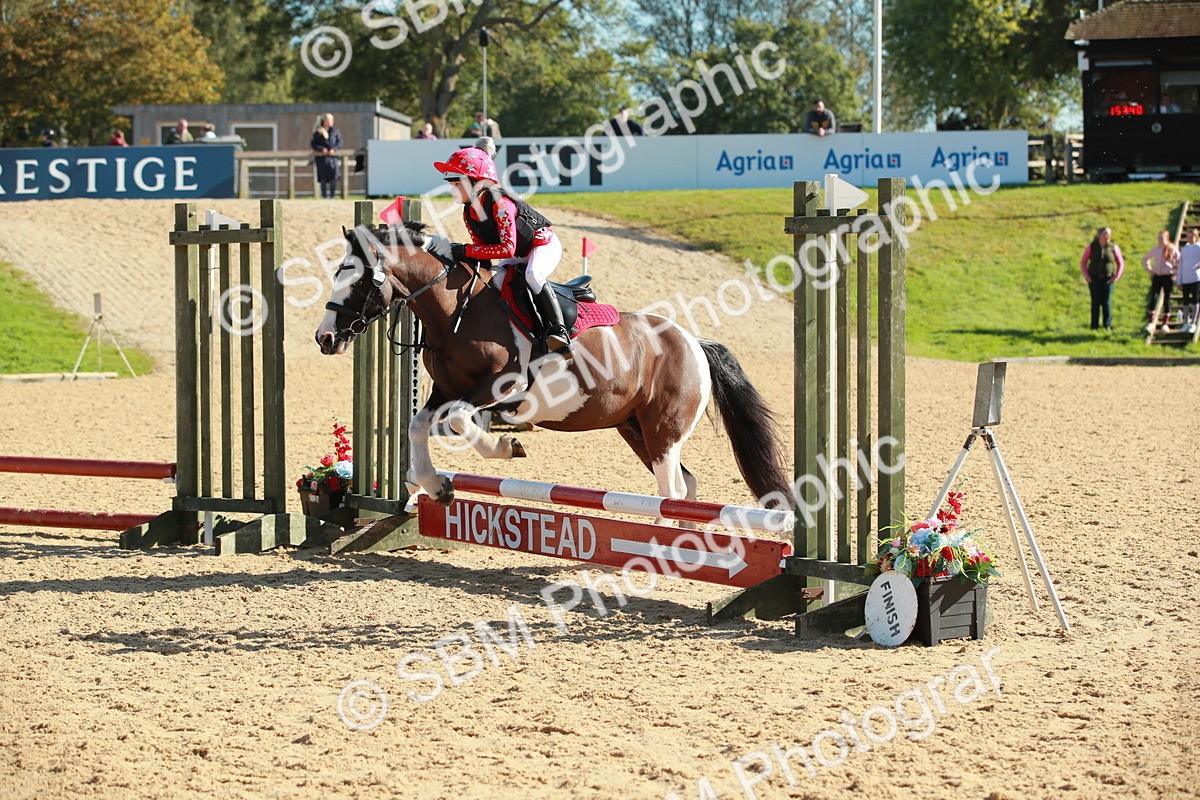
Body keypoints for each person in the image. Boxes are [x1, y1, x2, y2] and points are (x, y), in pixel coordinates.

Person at [434, 136, 570, 354]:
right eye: (452, 184)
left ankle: (559, 332)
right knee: (495, 282)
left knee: (532, 275)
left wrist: (467, 250)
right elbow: (483, 255)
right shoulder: (469, 212)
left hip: (542, 245)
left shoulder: (501, 204)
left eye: (457, 183)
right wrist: (462, 255)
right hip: (517, 252)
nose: (452, 190)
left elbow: (507, 249)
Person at [1080, 226, 1125, 331]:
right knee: (1095, 302)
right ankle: (1094, 325)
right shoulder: (1092, 246)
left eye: (1109, 234)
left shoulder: (1113, 247)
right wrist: (1086, 275)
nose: (1107, 236)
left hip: (1107, 279)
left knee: (1106, 302)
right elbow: (1083, 262)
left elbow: (1120, 263)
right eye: (1105, 233)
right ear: (1099, 235)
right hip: (1094, 278)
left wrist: (1116, 276)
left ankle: (1107, 325)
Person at [1142, 230, 1179, 332]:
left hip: (1168, 276)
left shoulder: (1172, 249)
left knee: (1166, 298)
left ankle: (1165, 323)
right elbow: (1145, 259)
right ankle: (1150, 322)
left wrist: (1175, 273)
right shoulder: (1156, 250)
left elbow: (1180, 261)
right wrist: (1150, 270)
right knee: (1154, 297)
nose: (1159, 240)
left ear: (1166, 239)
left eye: (1161, 238)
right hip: (1157, 276)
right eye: (1158, 238)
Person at [311, 113, 343, 199]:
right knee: (323, 177)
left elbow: (339, 143)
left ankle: (332, 195)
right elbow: (314, 143)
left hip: (333, 158)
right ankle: (324, 195)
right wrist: (321, 149)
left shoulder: (335, 132)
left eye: (331, 120)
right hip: (322, 158)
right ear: (324, 121)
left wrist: (334, 149)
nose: (330, 122)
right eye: (328, 120)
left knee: (334, 176)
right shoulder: (319, 132)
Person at [1177, 228, 1200, 334]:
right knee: (1185, 301)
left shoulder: (1199, 247)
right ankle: (1186, 322)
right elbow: (1180, 265)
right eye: (1188, 236)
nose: (1190, 238)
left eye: (1192, 236)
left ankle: (1194, 323)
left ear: (1196, 237)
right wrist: (1179, 280)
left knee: (1195, 300)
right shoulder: (1184, 249)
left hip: (1196, 278)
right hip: (1185, 278)